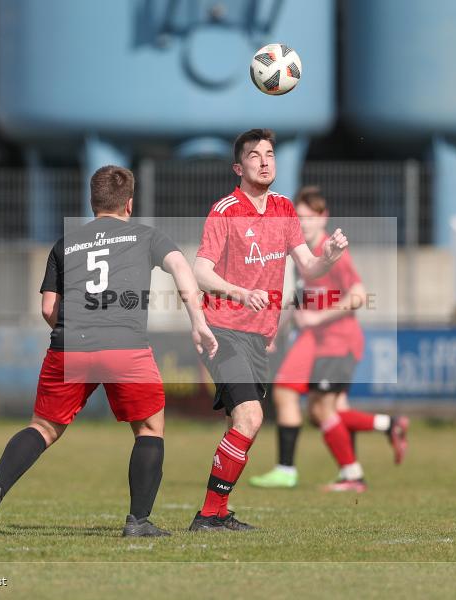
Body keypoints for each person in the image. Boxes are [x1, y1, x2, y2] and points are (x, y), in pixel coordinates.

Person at [0, 165, 217, 538]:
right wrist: (198, 321)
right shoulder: (146, 235)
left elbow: (48, 309)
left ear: (92, 201)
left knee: (43, 427)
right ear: (129, 204)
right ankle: (138, 522)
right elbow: (180, 267)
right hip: (125, 346)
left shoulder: (65, 243)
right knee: (149, 428)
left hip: (70, 345)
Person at [189, 129, 349, 531]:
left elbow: (308, 266)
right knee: (251, 416)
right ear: (237, 168)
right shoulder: (225, 210)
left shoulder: (283, 208)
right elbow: (200, 272)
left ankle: (217, 512)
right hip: (222, 330)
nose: (265, 162)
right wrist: (241, 293)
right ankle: (207, 515)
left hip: (258, 337)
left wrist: (328, 257)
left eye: (270, 154)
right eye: (255, 155)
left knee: (241, 425)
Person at [249, 186, 409, 492]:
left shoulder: (332, 251)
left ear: (324, 218)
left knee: (322, 409)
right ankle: (382, 433)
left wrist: (318, 318)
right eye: (299, 217)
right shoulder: (302, 256)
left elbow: (359, 296)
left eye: (309, 217)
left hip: (338, 340)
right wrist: (275, 330)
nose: (303, 223)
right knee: (310, 404)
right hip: (314, 340)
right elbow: (299, 299)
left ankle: (351, 473)